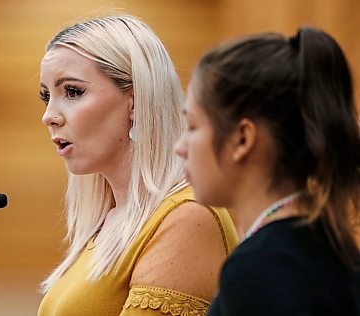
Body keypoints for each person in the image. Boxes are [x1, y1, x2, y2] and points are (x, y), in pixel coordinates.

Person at [37, 15, 239, 315]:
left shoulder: (187, 216)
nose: (49, 116)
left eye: (72, 91)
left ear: (135, 101)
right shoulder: (109, 219)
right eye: (46, 96)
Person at [175, 27, 360, 315]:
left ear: (242, 139)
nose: (180, 147)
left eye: (193, 127)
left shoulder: (262, 267)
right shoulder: (329, 243)